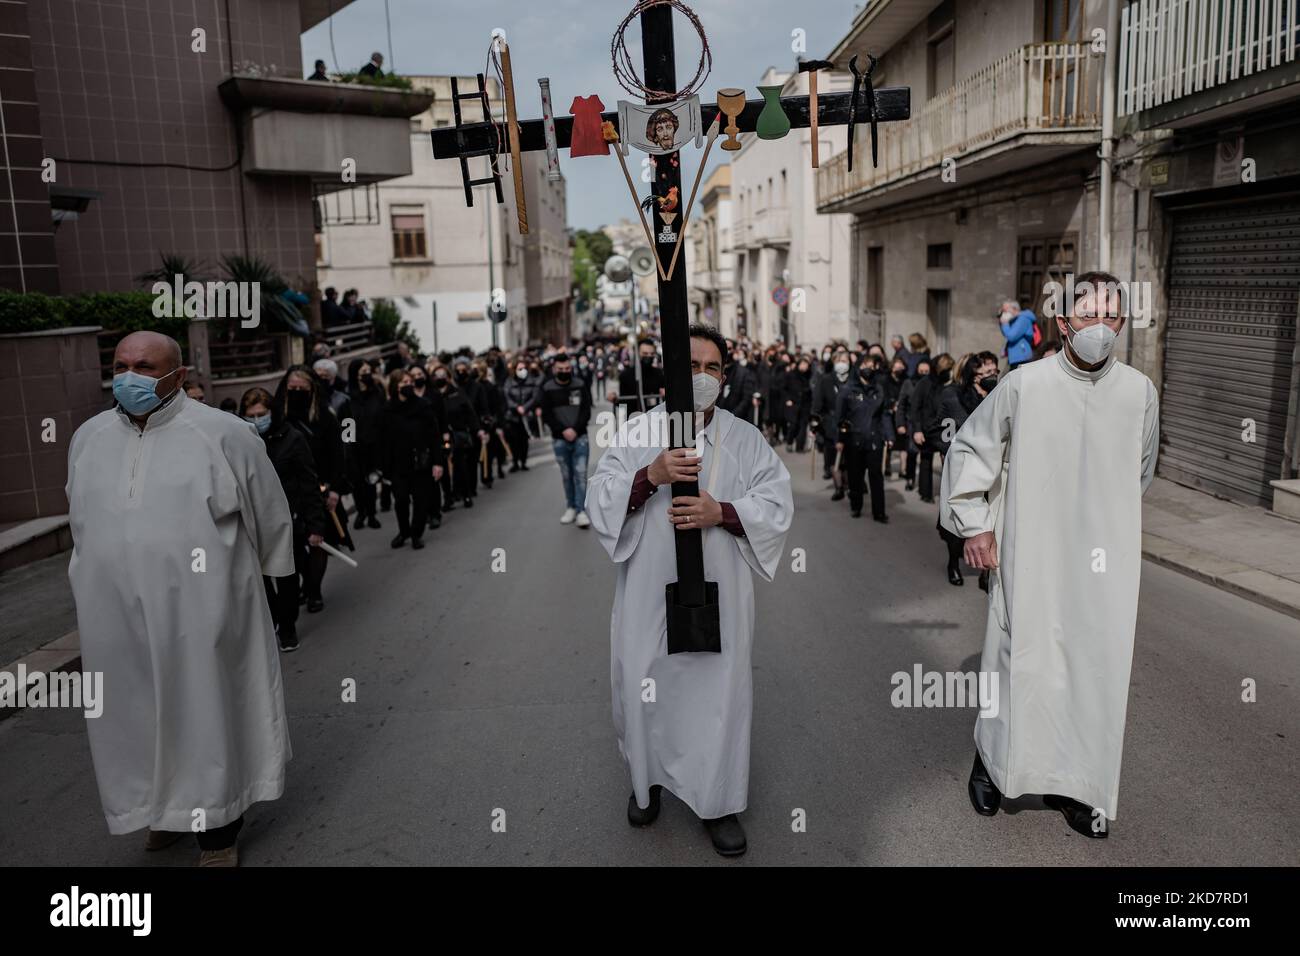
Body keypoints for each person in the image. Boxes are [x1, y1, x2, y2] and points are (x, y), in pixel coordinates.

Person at [940, 272, 1159, 839]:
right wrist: (975, 525)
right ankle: (992, 766)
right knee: (1019, 660)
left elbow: (1141, 470)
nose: (1101, 327)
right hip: (1030, 547)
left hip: (1104, 560)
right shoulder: (1024, 385)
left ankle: (1077, 788)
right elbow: (971, 450)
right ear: (1063, 323)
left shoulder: (1140, 392)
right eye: (1089, 315)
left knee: (1094, 670)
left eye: (1112, 317)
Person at [66, 331, 294, 867]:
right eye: (121, 365)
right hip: (113, 611)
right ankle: (157, 811)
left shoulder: (223, 432)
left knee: (201, 712)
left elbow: (268, 510)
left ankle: (216, 827)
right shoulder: (88, 438)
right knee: (131, 715)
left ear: (177, 372)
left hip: (203, 606)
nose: (129, 376)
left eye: (144, 366)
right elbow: (82, 520)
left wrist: (275, 582)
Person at [585, 323, 794, 857]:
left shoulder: (745, 438)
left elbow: (775, 504)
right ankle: (647, 784)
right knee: (644, 682)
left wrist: (720, 511)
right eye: (692, 366)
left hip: (719, 594)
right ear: (668, 374)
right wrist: (648, 475)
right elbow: (599, 497)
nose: (702, 377)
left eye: (713, 368)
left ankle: (718, 801)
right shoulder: (634, 433)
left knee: (716, 694)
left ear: (724, 378)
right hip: (648, 593)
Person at [239, 386, 327, 653]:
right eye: (250, 415)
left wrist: (315, 524)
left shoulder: (293, 439)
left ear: (272, 412)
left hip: (288, 521)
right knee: (260, 579)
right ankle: (274, 618)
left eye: (261, 414)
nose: (256, 420)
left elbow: (308, 483)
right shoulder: (239, 441)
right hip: (251, 523)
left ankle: (287, 626)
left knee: (287, 576)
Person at [274, 366, 349, 614]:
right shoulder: (277, 417)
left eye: (301, 389)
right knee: (295, 543)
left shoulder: (324, 417)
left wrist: (335, 489)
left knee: (318, 539)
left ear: (312, 390)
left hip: (319, 487)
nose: (296, 393)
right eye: (292, 389)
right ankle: (302, 583)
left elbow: (338, 455)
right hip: (287, 490)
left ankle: (314, 589)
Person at [934, 352, 1000, 588]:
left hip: (990, 472)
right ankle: (953, 562)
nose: (988, 377)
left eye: (993, 373)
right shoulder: (954, 397)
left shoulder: (1000, 397)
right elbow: (941, 429)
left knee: (989, 521)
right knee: (956, 524)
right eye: (982, 374)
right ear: (972, 376)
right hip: (961, 470)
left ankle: (985, 572)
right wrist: (950, 451)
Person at [379, 369, 445, 549]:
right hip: (398, 464)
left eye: (409, 381)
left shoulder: (423, 406)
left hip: (421, 462)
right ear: (395, 386)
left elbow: (434, 435)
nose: (407, 385)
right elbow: (384, 441)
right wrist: (384, 469)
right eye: (403, 382)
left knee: (420, 501)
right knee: (400, 500)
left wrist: (438, 462)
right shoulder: (387, 409)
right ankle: (404, 531)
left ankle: (416, 533)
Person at [835, 351, 893, 521]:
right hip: (854, 440)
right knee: (855, 476)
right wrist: (840, 439)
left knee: (876, 475)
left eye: (871, 366)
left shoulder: (879, 389)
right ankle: (856, 505)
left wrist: (889, 436)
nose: (868, 369)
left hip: (875, 439)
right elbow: (841, 418)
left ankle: (879, 512)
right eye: (864, 366)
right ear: (858, 368)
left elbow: (885, 415)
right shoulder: (847, 390)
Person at [541, 353, 592, 527]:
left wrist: (574, 429)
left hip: (580, 438)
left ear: (571, 368)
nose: (564, 371)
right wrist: (562, 430)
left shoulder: (580, 384)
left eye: (567, 369)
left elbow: (586, 410)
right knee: (566, 475)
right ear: (555, 369)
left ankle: (581, 511)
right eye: (561, 369)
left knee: (580, 475)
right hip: (559, 439)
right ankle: (570, 507)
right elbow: (547, 414)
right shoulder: (547, 388)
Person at [910, 352, 953, 503]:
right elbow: (915, 407)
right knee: (926, 460)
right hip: (926, 428)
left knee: (948, 462)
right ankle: (925, 493)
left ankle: (949, 494)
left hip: (945, 429)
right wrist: (917, 429)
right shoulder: (924, 383)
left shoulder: (949, 383)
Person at [811, 346, 851, 495]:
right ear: (834, 362)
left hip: (849, 425)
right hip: (830, 424)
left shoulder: (853, 380)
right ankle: (838, 486)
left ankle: (849, 484)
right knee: (833, 458)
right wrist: (815, 424)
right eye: (839, 360)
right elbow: (817, 405)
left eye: (845, 361)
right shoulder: (826, 380)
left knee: (848, 459)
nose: (842, 363)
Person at [503, 357, 539, 470]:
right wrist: (516, 407)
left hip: (526, 415)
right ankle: (515, 462)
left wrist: (525, 407)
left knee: (524, 440)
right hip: (513, 416)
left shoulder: (531, 381)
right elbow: (507, 397)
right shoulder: (509, 381)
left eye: (524, 368)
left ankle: (523, 461)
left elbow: (534, 397)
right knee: (514, 441)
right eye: (519, 368)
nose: (522, 370)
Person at [617, 338, 665, 414]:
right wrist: (615, 398)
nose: (649, 356)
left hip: (654, 419)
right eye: (645, 353)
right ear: (637, 354)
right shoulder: (625, 375)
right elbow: (622, 403)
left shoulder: (659, 374)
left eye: (652, 354)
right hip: (633, 419)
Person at [782, 356, 813, 452]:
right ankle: (789, 442)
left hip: (805, 404)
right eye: (803, 364)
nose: (804, 366)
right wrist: (787, 399)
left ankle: (800, 446)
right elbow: (783, 388)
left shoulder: (810, 376)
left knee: (803, 425)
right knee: (793, 425)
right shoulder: (791, 375)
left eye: (806, 365)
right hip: (793, 403)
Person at [998, 297, 1038, 369]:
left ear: (1015, 309)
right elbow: (1006, 334)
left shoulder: (1023, 319)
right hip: (1016, 358)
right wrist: (1002, 323)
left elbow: (1011, 337)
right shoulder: (1014, 320)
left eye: (1006, 310)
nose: (1004, 313)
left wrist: (1005, 324)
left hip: (1022, 358)